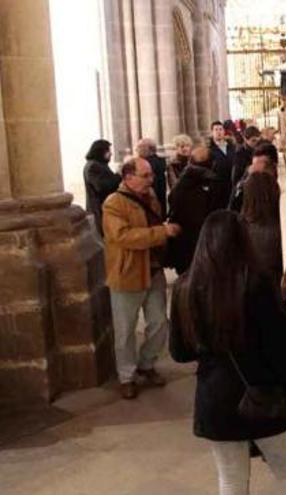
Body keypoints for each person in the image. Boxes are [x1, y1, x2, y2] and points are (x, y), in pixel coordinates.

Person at [170, 210, 286, 495]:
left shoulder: (185, 287)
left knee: (231, 480)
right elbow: (278, 346)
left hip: (215, 396)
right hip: (263, 389)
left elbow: (179, 352)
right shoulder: (258, 283)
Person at [102, 156, 181, 399]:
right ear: (128, 177)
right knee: (125, 330)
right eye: (145, 175)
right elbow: (122, 236)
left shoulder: (151, 197)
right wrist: (161, 232)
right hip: (128, 272)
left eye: (151, 175)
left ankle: (146, 364)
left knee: (159, 322)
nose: (152, 179)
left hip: (153, 270)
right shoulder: (113, 203)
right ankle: (126, 376)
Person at [166, 145, 224, 275]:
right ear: (212, 163)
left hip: (184, 241)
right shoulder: (212, 181)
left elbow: (172, 200)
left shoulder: (183, 181)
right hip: (204, 239)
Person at [83, 139, 121, 237]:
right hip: (99, 209)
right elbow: (102, 186)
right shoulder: (93, 166)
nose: (111, 154)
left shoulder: (99, 165)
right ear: (101, 151)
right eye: (108, 151)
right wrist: (119, 175)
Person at [135, 138, 168, 217]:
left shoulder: (147, 164)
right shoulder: (160, 161)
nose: (136, 150)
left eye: (139, 147)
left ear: (149, 149)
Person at [209, 120, 235, 204]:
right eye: (216, 130)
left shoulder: (232, 147)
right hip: (218, 187)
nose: (218, 132)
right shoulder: (209, 150)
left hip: (231, 184)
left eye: (220, 129)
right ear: (212, 132)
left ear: (224, 131)